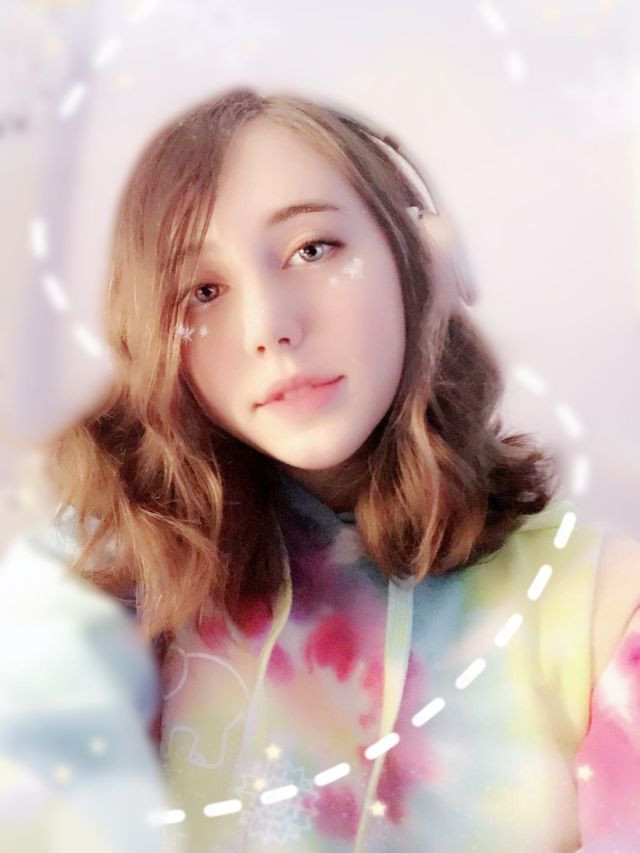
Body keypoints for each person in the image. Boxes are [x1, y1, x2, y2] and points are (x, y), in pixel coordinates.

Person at [28, 87, 640, 851]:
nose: (269, 327)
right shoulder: (104, 578)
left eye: (313, 249)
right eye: (203, 291)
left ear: (424, 259)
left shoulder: (597, 604)